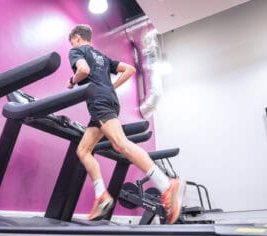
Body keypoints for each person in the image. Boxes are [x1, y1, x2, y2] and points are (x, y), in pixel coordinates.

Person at [67, 24, 186, 224]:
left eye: (71, 41)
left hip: (98, 102)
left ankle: (166, 185)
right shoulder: (102, 57)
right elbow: (129, 69)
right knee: (83, 150)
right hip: (109, 101)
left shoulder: (77, 51)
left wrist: (72, 81)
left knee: (120, 144)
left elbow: (83, 70)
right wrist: (111, 87)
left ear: (77, 38)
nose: (71, 44)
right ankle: (101, 195)